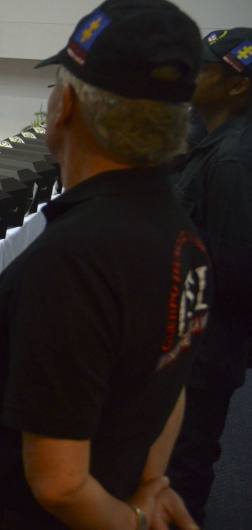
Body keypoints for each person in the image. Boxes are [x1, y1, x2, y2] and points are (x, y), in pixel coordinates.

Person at [0, 1, 209, 529]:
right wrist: (152, 482)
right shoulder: (184, 235)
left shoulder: (75, 259)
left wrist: (134, 520)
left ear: (65, 106)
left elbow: (60, 485)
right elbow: (170, 377)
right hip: (113, 486)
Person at [167, 27, 252, 526]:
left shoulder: (234, 159)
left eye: (201, 67)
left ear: (238, 85)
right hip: (184, 343)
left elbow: (237, 274)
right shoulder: (210, 137)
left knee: (182, 471)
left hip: (201, 349)